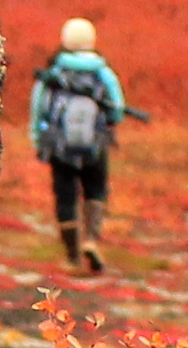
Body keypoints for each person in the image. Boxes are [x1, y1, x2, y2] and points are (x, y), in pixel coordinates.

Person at [28, 19, 137, 273]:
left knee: (65, 197)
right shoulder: (102, 72)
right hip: (95, 144)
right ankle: (91, 240)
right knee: (96, 191)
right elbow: (117, 110)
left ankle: (72, 256)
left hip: (59, 146)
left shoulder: (54, 72)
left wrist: (38, 139)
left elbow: (38, 108)